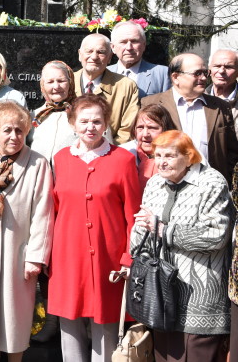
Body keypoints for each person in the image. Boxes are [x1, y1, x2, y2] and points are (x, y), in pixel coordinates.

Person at [48, 94, 142, 362]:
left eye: (97, 121)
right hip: (68, 256)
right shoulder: (61, 158)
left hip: (107, 258)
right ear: (73, 123)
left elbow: (133, 215)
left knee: (106, 328)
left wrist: (128, 257)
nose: (90, 127)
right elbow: (55, 208)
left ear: (106, 124)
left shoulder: (123, 159)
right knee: (69, 325)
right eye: (84, 121)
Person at [132, 131, 231, 362]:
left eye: (169, 156)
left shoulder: (212, 183)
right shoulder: (155, 182)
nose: (162, 162)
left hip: (199, 297)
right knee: (163, 355)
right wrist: (137, 254)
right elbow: (142, 225)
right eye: (157, 156)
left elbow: (217, 234)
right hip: (160, 294)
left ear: (189, 157)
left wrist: (165, 230)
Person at [0, 101, 54, 361]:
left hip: (19, 253)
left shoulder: (38, 163)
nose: (14, 136)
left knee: (15, 316)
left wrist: (35, 257)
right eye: (7, 130)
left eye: (19, 130)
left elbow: (43, 212)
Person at [142, 53, 238, 182]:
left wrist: (223, 178)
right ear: (176, 77)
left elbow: (232, 150)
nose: (203, 78)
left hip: (209, 183)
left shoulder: (220, 107)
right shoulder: (151, 103)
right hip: (165, 181)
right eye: (197, 73)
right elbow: (142, 145)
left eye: (205, 73)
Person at [73, 33, 139, 145]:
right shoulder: (66, 82)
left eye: (101, 52)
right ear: (80, 54)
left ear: (109, 57)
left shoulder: (126, 86)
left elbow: (127, 130)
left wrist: (107, 150)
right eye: (89, 51)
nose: (94, 57)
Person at [107, 20, 170, 98]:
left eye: (134, 41)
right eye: (123, 42)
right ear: (113, 47)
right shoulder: (103, 73)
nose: (129, 47)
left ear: (144, 45)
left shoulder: (162, 74)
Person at [30, 60, 77, 164]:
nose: (56, 86)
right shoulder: (34, 116)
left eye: (61, 81)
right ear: (43, 85)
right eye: (50, 82)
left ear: (70, 82)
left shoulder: (84, 115)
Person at [120, 104, 177, 188]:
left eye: (152, 128)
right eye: (140, 127)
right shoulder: (124, 154)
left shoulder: (179, 157)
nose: (145, 134)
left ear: (166, 130)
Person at [207, 48, 238, 134]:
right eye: (217, 66)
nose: (221, 71)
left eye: (228, 67)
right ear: (209, 70)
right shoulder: (197, 99)